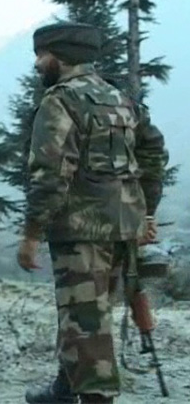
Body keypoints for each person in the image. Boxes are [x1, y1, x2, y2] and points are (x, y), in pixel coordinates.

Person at [17, 22, 168, 404]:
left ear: (61, 57)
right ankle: (64, 389)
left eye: (42, 55)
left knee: (85, 322)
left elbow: (50, 174)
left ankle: (96, 398)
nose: (37, 64)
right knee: (86, 312)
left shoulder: (60, 100)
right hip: (124, 228)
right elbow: (153, 152)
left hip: (81, 231)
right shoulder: (120, 98)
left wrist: (31, 234)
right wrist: (146, 212)